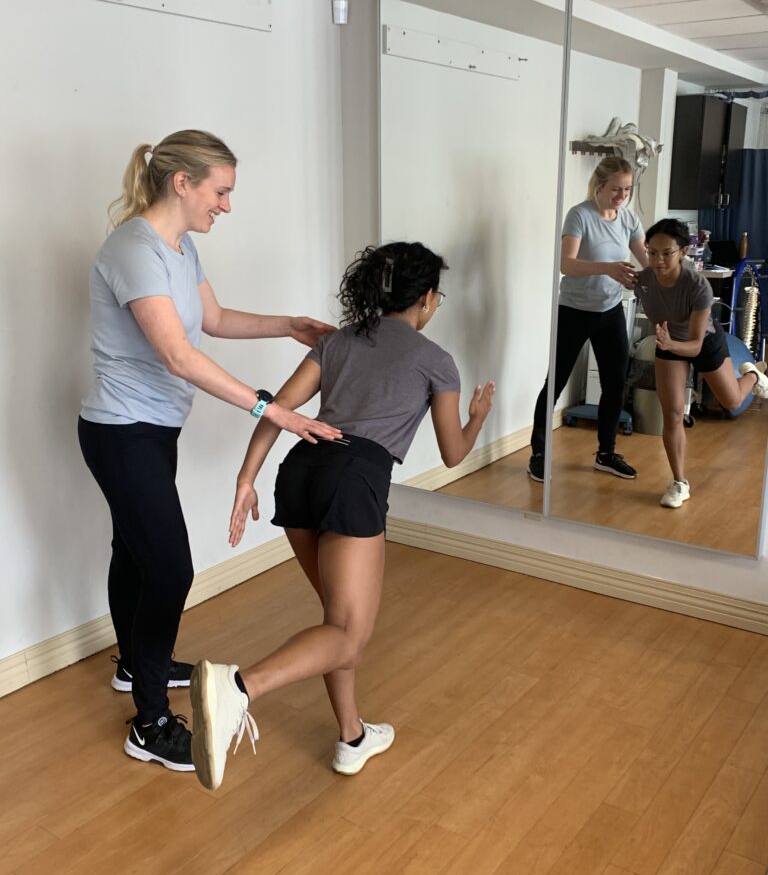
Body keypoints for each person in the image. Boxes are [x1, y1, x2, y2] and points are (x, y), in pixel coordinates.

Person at [78, 129, 342, 773]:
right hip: (120, 430)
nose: (225, 205)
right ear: (183, 183)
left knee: (135, 553)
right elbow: (177, 353)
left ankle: (135, 662)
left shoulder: (179, 247)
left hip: (150, 429)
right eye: (220, 192)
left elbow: (214, 320)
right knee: (170, 569)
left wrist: (288, 324)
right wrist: (269, 407)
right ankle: (150, 720)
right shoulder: (134, 249)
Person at [189, 241, 495, 791]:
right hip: (354, 479)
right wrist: (476, 419)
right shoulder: (436, 361)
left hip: (300, 470)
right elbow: (453, 453)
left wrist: (245, 479)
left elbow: (277, 410)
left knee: (338, 621)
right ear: (426, 299)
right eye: (437, 296)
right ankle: (238, 688)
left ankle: (352, 736)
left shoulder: (339, 342)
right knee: (349, 635)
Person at [529, 156, 648, 483]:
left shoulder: (629, 220)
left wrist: (665, 274)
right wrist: (609, 268)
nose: (621, 195)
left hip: (610, 312)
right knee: (555, 382)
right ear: (599, 186)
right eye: (615, 189)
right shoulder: (579, 215)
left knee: (614, 384)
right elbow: (567, 264)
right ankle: (538, 454)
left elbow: (646, 260)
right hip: (574, 311)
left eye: (627, 189)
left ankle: (606, 453)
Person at [635, 218, 768, 508]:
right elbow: (645, 295)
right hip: (668, 341)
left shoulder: (697, 287)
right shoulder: (644, 280)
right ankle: (679, 483)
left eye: (666, 253)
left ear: (683, 251)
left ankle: (754, 375)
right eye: (651, 252)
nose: (658, 260)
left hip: (703, 342)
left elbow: (695, 344)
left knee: (731, 401)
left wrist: (671, 344)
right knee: (671, 413)